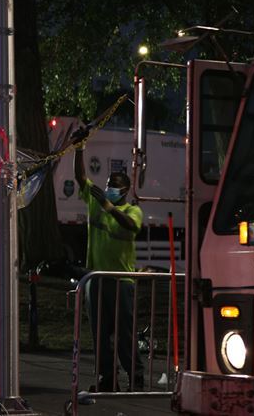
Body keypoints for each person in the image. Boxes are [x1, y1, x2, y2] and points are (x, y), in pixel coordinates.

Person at [72, 127, 144, 392]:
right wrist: (79, 148)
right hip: (97, 279)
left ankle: (135, 376)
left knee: (124, 333)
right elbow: (80, 177)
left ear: (124, 190)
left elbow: (130, 226)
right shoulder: (96, 201)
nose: (109, 188)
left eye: (114, 185)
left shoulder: (133, 210)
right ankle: (106, 378)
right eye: (108, 184)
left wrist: (109, 206)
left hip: (122, 281)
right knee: (100, 334)